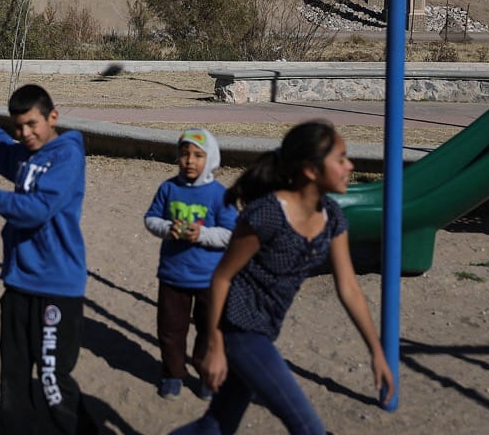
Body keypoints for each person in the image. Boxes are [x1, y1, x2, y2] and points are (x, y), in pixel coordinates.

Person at [175, 120, 394, 435]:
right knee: (308, 428)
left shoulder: (332, 217)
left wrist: (377, 352)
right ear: (310, 170)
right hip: (239, 330)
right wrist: (214, 344)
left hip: (265, 330)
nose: (350, 165)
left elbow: (348, 288)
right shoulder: (267, 214)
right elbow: (222, 277)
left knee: (216, 425)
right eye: (341, 158)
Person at [0, 84, 97, 434]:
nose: (25, 134)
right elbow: (1, 152)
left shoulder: (66, 156)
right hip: (17, 282)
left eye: (32, 124)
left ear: (52, 117)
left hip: (57, 287)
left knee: (51, 380)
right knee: (13, 378)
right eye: (19, 127)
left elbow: (37, 210)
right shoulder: (26, 156)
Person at [144, 127, 237, 401]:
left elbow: (232, 234)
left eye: (198, 155)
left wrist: (203, 234)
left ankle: (206, 373)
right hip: (173, 276)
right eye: (184, 154)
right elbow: (150, 219)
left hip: (210, 279)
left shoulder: (220, 195)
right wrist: (166, 228)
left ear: (211, 159)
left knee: (209, 330)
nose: (190, 160)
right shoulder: (168, 188)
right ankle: (173, 374)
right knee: (170, 331)